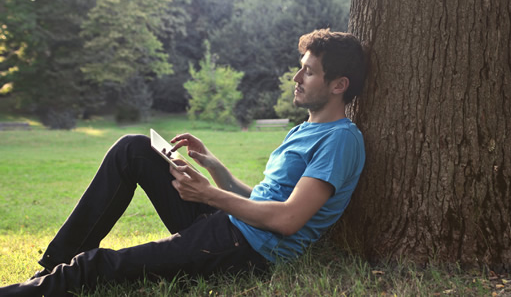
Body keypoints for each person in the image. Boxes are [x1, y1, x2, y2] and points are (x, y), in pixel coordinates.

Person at [0, 29, 368, 296]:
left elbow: (287, 220)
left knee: (96, 266)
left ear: (339, 85)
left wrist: (209, 196)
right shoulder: (305, 130)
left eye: (309, 71)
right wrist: (214, 168)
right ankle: (52, 268)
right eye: (300, 67)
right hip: (232, 224)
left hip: (246, 250)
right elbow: (263, 199)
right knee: (134, 149)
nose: (296, 77)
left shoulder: (340, 139)